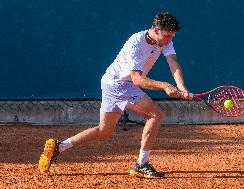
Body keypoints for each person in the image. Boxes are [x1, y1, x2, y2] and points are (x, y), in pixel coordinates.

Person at [38, 12, 193, 178]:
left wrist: (181, 87)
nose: (169, 40)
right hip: (120, 84)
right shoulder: (136, 43)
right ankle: (141, 164)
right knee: (156, 114)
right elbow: (137, 79)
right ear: (156, 29)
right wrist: (165, 85)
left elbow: (173, 63)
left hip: (111, 82)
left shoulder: (164, 41)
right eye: (167, 36)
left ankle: (59, 146)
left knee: (104, 130)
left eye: (172, 36)